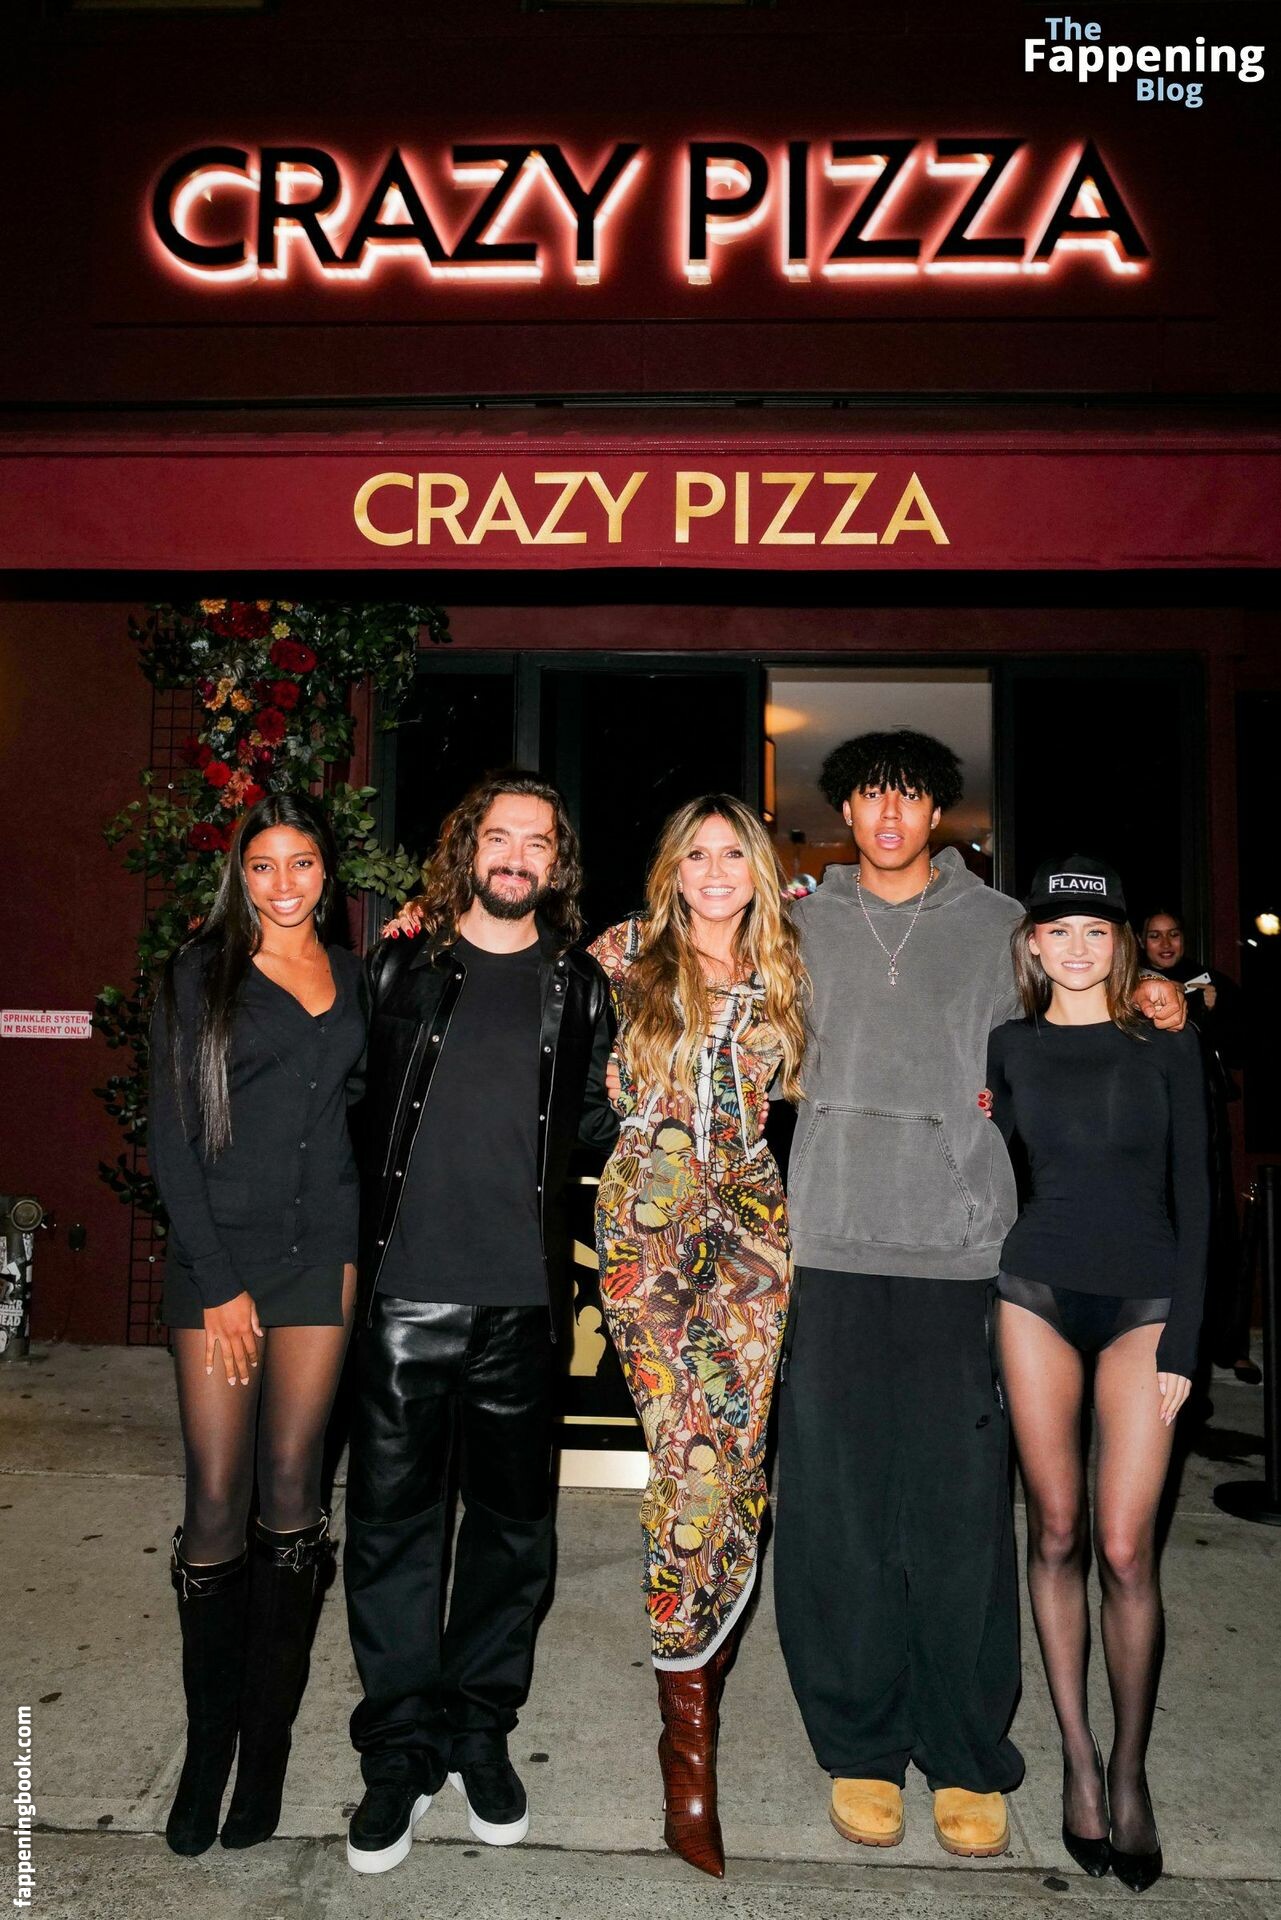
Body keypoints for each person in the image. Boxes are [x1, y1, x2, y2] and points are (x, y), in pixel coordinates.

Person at [773, 731, 1186, 1864]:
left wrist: (1156, 993)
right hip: (832, 1245)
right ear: (845, 812)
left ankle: (963, 1747)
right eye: (870, 797)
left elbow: (1087, 995)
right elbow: (688, 953)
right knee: (841, 1514)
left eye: (910, 797)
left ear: (938, 812)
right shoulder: (798, 924)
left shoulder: (1002, 926)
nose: (889, 815)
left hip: (965, 1255)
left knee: (960, 1518)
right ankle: (860, 1744)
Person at [343, 772, 615, 1874]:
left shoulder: (580, 987)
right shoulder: (400, 966)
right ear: (469, 849)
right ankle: (399, 1751)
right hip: (403, 1299)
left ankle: (478, 1731)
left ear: (557, 863)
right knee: (393, 1533)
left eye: (536, 842)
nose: (515, 856)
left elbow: (602, 1119)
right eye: (498, 837)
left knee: (512, 1537)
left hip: (523, 1308)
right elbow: (344, 1099)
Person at [589, 796, 807, 1879]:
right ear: (670, 870)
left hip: (756, 1240)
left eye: (732, 854)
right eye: (695, 856)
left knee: (739, 1464)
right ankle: (688, 1757)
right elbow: (494, 968)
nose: (714, 872)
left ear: (757, 869)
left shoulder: (793, 969)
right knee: (689, 1460)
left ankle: (698, 1677)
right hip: (649, 1232)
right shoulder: (620, 955)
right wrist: (412, 929)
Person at [149, 792, 365, 1856]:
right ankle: (209, 1748)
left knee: (294, 1490)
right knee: (217, 1498)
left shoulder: (355, 973)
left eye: (304, 862)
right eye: (265, 864)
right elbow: (172, 1137)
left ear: (328, 872)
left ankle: (266, 1749)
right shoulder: (199, 973)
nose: (285, 884)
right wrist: (219, 1282)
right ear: (241, 873)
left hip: (322, 1252)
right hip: (221, 1264)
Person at [990, 858, 1209, 1892]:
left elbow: (1196, 1195)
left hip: (1144, 1307)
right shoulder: (1008, 1045)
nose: (1076, 948)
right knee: (1056, 1531)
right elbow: (988, 1166)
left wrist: (1186, 1343)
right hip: (1033, 1290)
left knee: (1124, 1548)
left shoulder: (1165, 1041)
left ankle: (1130, 1769)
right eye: (1058, 930)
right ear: (1032, 943)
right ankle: (1078, 1760)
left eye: (1096, 931)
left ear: (1119, 945)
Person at [1141, 908, 1254, 1379]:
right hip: (1150, 1127)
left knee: (1217, 1231)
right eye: (1155, 936)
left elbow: (1243, 1051)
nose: (1166, 944)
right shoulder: (1125, 986)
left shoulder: (1212, 983)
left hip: (1206, 1124)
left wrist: (1213, 1011)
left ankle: (1227, 1345)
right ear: (1141, 941)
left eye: (1173, 935)